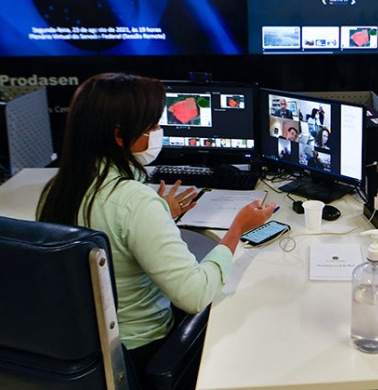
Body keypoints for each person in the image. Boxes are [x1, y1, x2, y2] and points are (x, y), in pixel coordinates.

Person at [36, 73, 275, 386]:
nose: (158, 132)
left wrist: (162, 213)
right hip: (140, 352)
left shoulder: (57, 189)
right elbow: (194, 295)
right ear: (120, 136)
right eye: (151, 125)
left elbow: (113, 237)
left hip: (81, 348)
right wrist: (237, 229)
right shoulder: (134, 201)